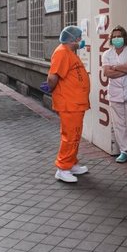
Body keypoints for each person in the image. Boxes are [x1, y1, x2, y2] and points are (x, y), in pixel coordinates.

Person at [46, 25, 91, 183]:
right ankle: (62, 168)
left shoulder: (68, 52)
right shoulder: (62, 52)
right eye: (79, 37)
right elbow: (53, 78)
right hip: (69, 103)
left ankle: (71, 163)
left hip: (76, 103)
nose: (80, 40)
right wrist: (50, 88)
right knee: (69, 136)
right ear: (74, 39)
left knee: (75, 135)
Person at [102, 25, 127, 164]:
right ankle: (124, 150)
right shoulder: (107, 54)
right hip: (115, 92)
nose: (116, 39)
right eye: (114, 37)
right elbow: (107, 73)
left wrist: (116, 68)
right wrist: (126, 69)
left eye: (119, 36)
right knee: (119, 123)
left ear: (124, 37)